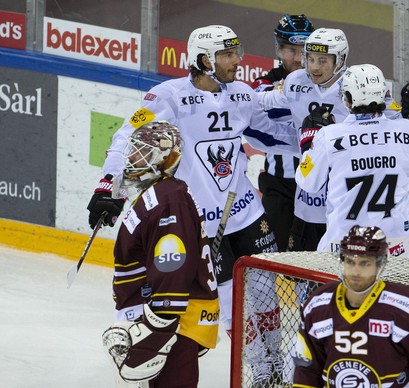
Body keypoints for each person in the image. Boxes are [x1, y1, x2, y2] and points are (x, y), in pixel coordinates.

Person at [88, 25, 297, 386]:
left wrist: (319, 137)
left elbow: (272, 136)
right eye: (228, 55)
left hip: (246, 213)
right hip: (201, 224)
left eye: (237, 51)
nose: (238, 60)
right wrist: (109, 187)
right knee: (232, 307)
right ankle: (257, 369)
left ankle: (274, 364)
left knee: (266, 297)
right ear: (204, 60)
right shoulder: (165, 97)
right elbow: (129, 137)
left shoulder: (242, 94)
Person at [101, 121, 219, 387]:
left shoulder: (169, 200)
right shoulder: (158, 193)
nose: (131, 158)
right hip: (163, 314)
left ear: (164, 158)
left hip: (175, 320)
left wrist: (159, 325)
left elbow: (173, 265)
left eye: (141, 152)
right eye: (132, 150)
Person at [295, 64, 409, 259]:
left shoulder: (329, 136)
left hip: (343, 252)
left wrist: (308, 141)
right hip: (396, 252)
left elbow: (307, 182)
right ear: (384, 95)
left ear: (347, 100)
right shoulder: (407, 131)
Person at [292, 225, 409, 387]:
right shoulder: (318, 306)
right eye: (350, 261)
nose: (355, 272)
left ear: (380, 265)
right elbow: (306, 373)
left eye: (364, 263)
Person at [257, 27, 350, 253]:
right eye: (310, 59)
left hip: (345, 195)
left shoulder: (356, 85)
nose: (314, 67)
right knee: (299, 270)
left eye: (323, 60)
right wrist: (228, 97)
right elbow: (264, 100)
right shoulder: (296, 80)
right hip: (307, 195)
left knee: (339, 272)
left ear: (340, 60)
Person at [251, 14, 315, 252]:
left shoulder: (325, 81)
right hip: (279, 186)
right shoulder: (265, 82)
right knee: (271, 256)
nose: (298, 59)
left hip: (316, 186)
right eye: (290, 50)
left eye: (303, 50)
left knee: (313, 258)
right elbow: (259, 105)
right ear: (278, 50)